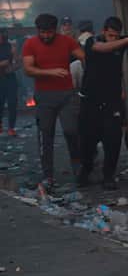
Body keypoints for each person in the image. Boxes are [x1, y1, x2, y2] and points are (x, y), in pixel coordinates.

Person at [77, 17, 128, 189]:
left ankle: (108, 176)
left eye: (116, 36)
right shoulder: (92, 41)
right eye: (110, 35)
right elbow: (102, 48)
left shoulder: (122, 42)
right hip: (91, 100)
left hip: (112, 100)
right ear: (103, 31)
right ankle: (86, 170)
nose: (113, 39)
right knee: (87, 140)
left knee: (113, 139)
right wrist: (126, 40)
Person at [23, 13, 85, 189]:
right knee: (46, 135)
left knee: (72, 130)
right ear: (38, 30)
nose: (46, 36)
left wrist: (87, 74)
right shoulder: (30, 44)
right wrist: (50, 72)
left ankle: (78, 165)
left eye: (49, 32)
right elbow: (28, 69)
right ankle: (48, 175)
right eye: (42, 32)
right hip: (44, 96)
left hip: (67, 95)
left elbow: (84, 56)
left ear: (55, 29)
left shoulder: (67, 41)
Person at [0, 30, 17, 136]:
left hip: (10, 78)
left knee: (12, 103)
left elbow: (16, 63)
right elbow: (5, 62)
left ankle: (11, 127)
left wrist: (13, 62)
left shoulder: (10, 46)